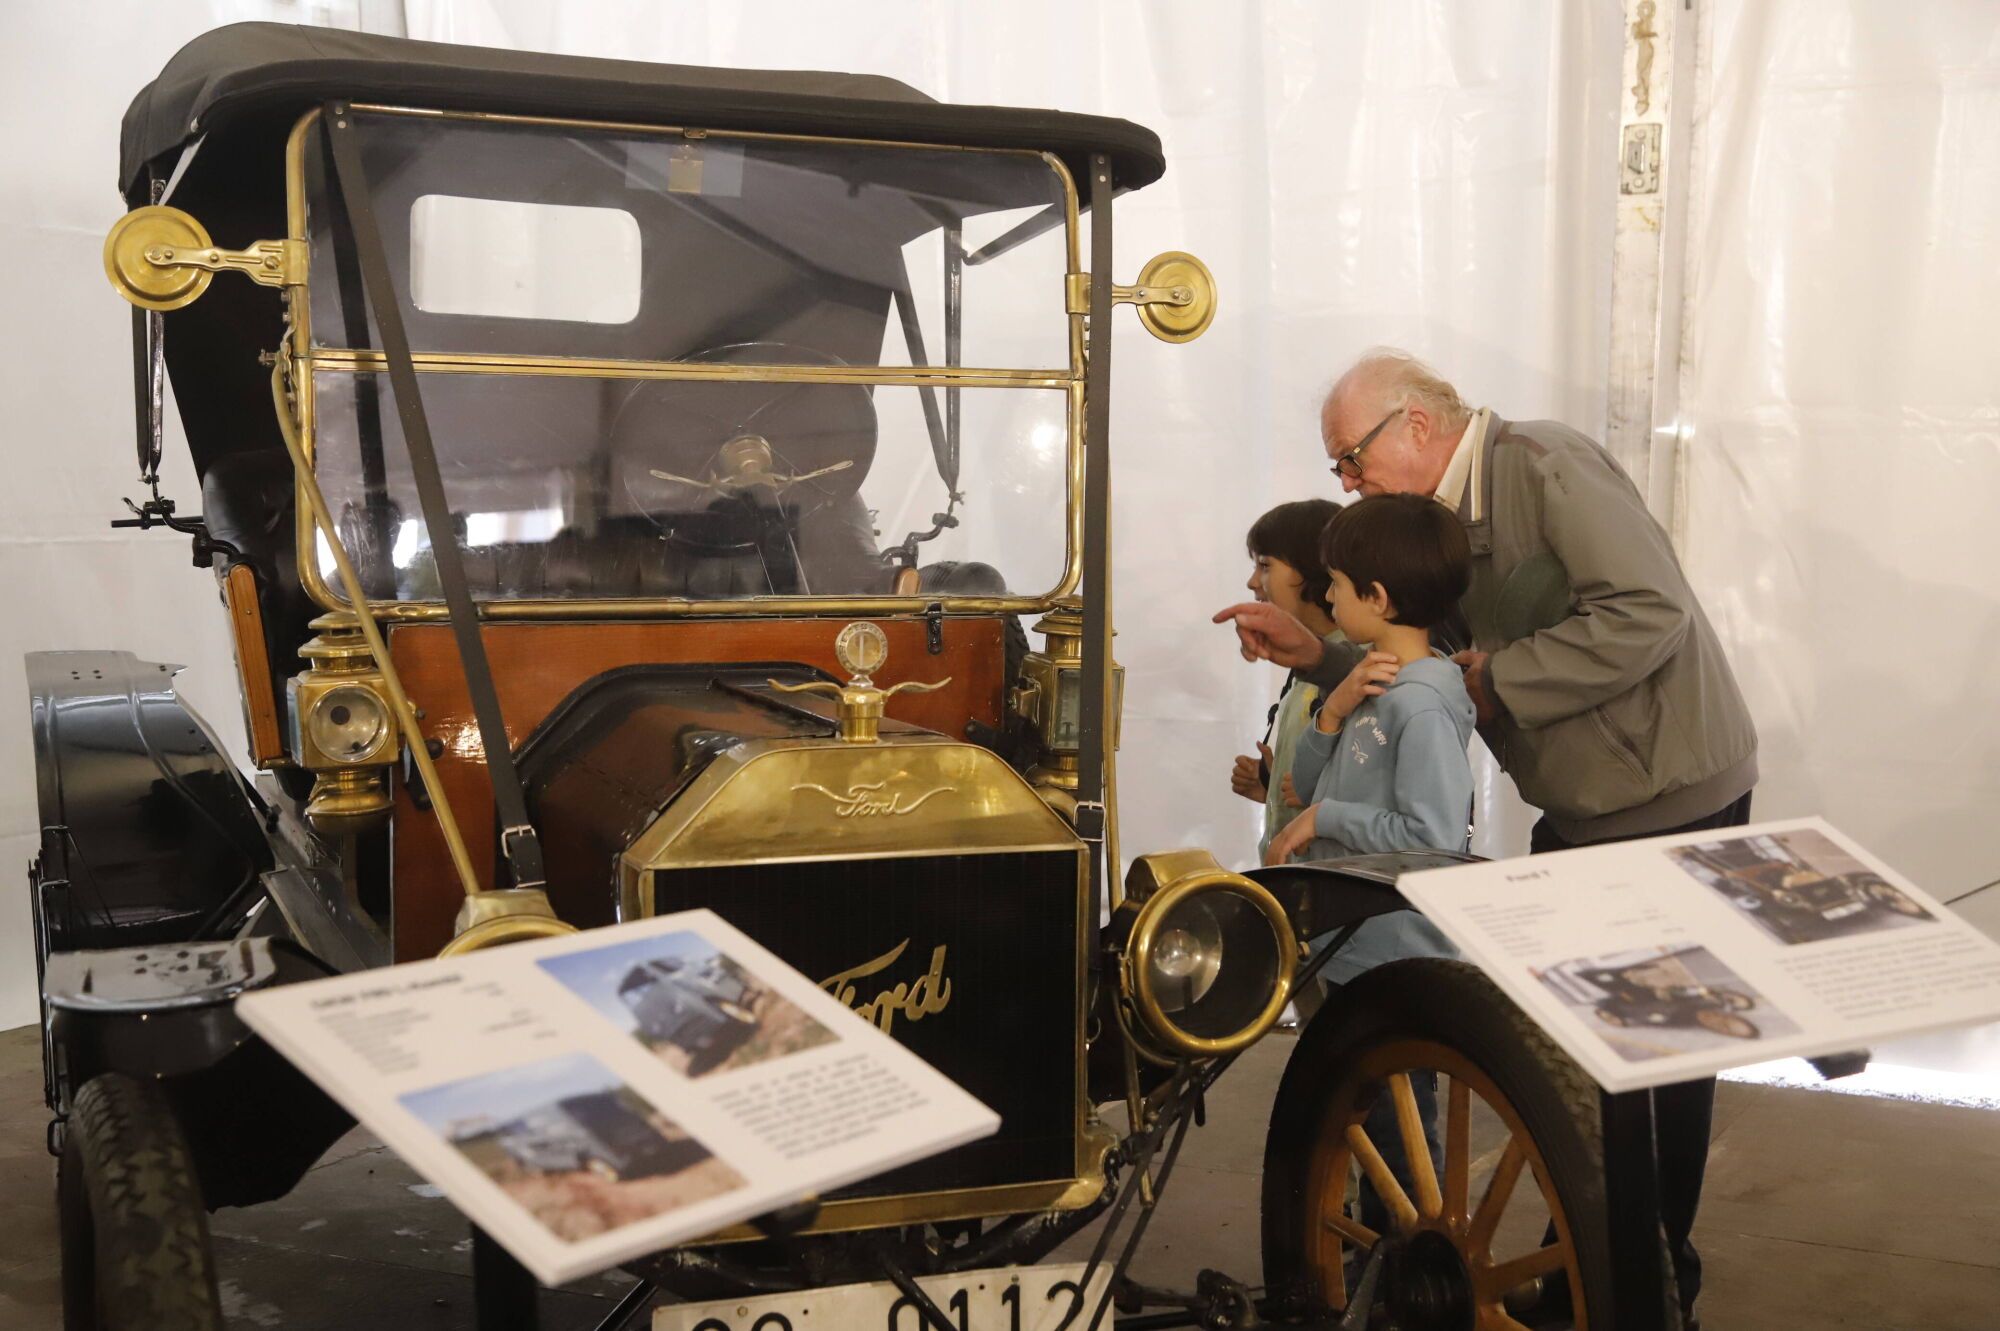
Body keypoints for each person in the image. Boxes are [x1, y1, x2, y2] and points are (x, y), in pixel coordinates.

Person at [1214, 348, 1757, 1330]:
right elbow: (1416, 649)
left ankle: (1648, 1283)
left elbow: (1648, 611)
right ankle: (1601, 1264)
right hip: (1582, 810)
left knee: (1662, 1063)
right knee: (1581, 1063)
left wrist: (1494, 679)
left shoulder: (1542, 467)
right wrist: (1319, 652)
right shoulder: (1439, 522)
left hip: (1669, 795)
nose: (1342, 482)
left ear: (1417, 426)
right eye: (1336, 465)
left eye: (1349, 456)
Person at [1228, 499, 1342, 861]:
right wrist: (1272, 784)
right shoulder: (1308, 670)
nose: (1251, 582)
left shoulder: (1363, 667)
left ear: (1314, 570)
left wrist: (1315, 792)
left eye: (1264, 565)